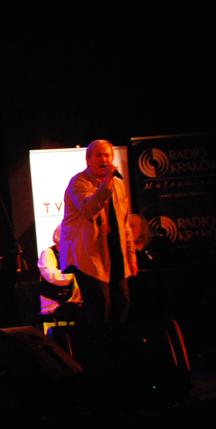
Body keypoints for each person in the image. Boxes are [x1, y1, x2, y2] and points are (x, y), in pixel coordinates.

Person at [59, 139, 138, 330]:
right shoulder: (79, 183)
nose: (104, 159)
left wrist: (131, 257)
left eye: (107, 155)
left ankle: (116, 342)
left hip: (113, 251)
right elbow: (90, 208)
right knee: (101, 304)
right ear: (88, 159)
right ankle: (97, 344)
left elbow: (124, 224)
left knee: (123, 301)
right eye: (99, 155)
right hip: (87, 256)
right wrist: (107, 183)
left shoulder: (118, 185)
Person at [37, 224, 82, 319]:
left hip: (74, 301)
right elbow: (51, 276)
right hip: (53, 303)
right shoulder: (48, 253)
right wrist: (74, 274)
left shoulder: (74, 253)